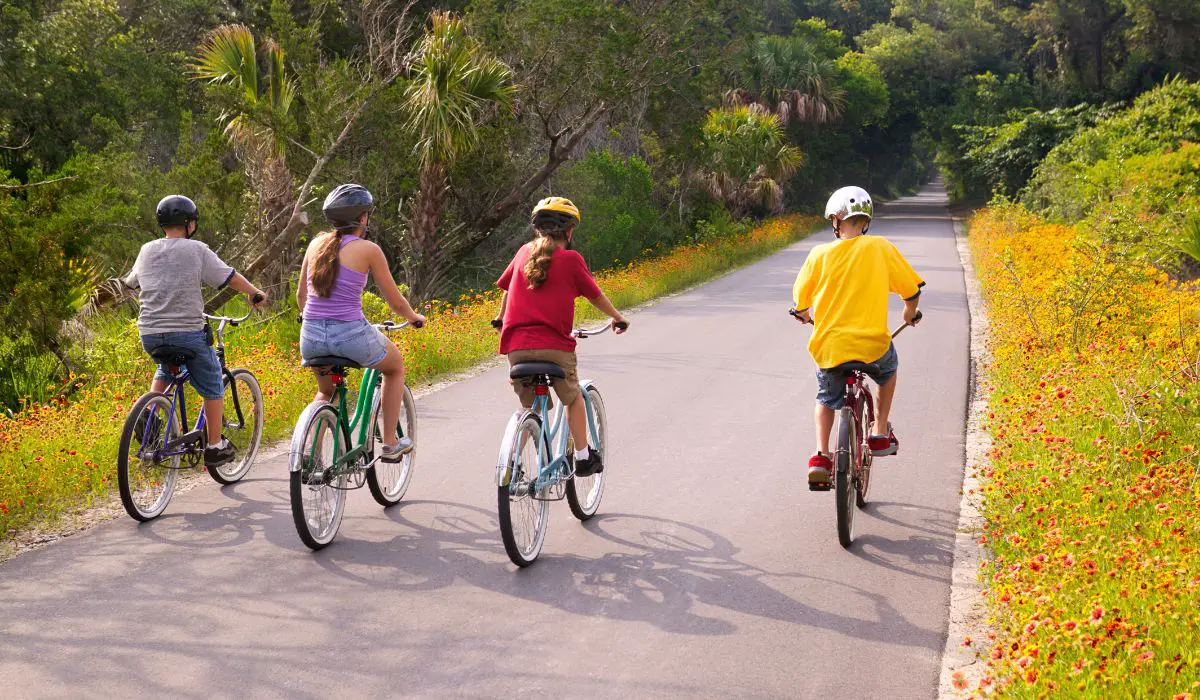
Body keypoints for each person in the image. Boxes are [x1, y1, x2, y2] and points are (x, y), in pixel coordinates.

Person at [792, 186, 924, 486]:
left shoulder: (819, 254)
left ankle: (821, 455)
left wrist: (802, 313)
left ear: (836, 219)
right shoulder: (880, 248)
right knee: (888, 371)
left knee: (826, 398)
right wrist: (908, 313)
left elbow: (800, 301)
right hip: (872, 346)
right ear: (865, 221)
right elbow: (911, 291)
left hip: (831, 347)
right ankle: (878, 431)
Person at [125, 195, 267, 467]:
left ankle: (150, 409)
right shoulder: (197, 250)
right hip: (187, 333)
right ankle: (214, 445)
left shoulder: (146, 250)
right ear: (189, 223)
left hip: (150, 334)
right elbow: (229, 277)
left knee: (167, 366)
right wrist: (254, 292)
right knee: (213, 380)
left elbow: (131, 283)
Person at [493, 197, 628, 477]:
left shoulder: (522, 254)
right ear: (569, 231)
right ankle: (582, 457)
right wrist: (617, 317)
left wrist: (501, 318)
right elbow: (595, 295)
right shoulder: (571, 259)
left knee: (529, 407)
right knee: (573, 398)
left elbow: (507, 288)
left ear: (537, 229)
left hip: (515, 347)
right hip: (554, 348)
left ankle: (512, 464)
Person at [297, 184, 426, 462]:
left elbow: (301, 297)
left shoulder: (315, 245)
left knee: (325, 391)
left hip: (310, 336)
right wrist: (413, 317)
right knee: (394, 367)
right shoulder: (368, 249)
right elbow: (395, 303)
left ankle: (310, 453)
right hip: (350, 335)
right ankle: (390, 443)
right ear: (363, 218)